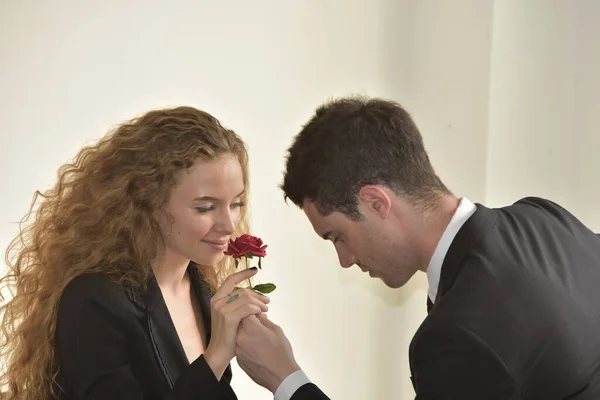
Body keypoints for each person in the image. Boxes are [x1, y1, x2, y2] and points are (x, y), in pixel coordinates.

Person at [235, 95, 600, 399]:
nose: (345, 260)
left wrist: (285, 380)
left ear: (376, 202)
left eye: (337, 237)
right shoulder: (544, 218)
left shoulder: (457, 337)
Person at [0, 106, 270, 399]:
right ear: (148, 203)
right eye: (205, 207)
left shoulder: (205, 291)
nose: (229, 224)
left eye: (236, 203)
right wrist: (216, 356)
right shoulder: (93, 301)